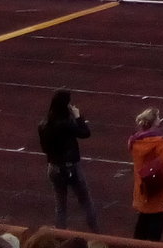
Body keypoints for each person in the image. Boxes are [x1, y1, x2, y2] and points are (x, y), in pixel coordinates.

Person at [37, 90, 100, 232]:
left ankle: (60, 234)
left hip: (53, 166)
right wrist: (78, 116)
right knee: (85, 201)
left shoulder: (43, 124)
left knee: (60, 205)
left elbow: (44, 149)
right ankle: (96, 232)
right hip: (71, 167)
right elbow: (85, 133)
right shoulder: (65, 124)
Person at [127, 108, 163, 242]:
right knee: (157, 220)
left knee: (143, 219)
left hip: (142, 184)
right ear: (155, 121)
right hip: (157, 185)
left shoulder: (134, 141)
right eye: (158, 117)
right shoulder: (161, 142)